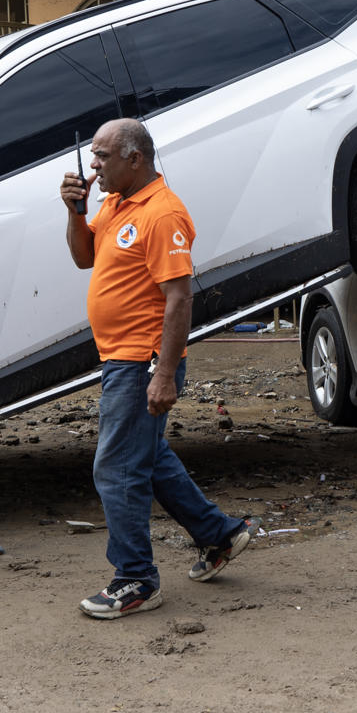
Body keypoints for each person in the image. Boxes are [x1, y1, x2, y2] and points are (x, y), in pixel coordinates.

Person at [60, 117, 252, 619]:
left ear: (134, 158)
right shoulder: (115, 203)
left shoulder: (163, 214)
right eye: (93, 156)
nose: (93, 166)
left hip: (140, 360)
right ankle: (221, 534)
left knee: (116, 467)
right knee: (146, 457)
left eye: (102, 156)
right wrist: (75, 212)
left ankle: (136, 580)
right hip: (119, 357)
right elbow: (84, 258)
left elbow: (179, 299)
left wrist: (163, 373)